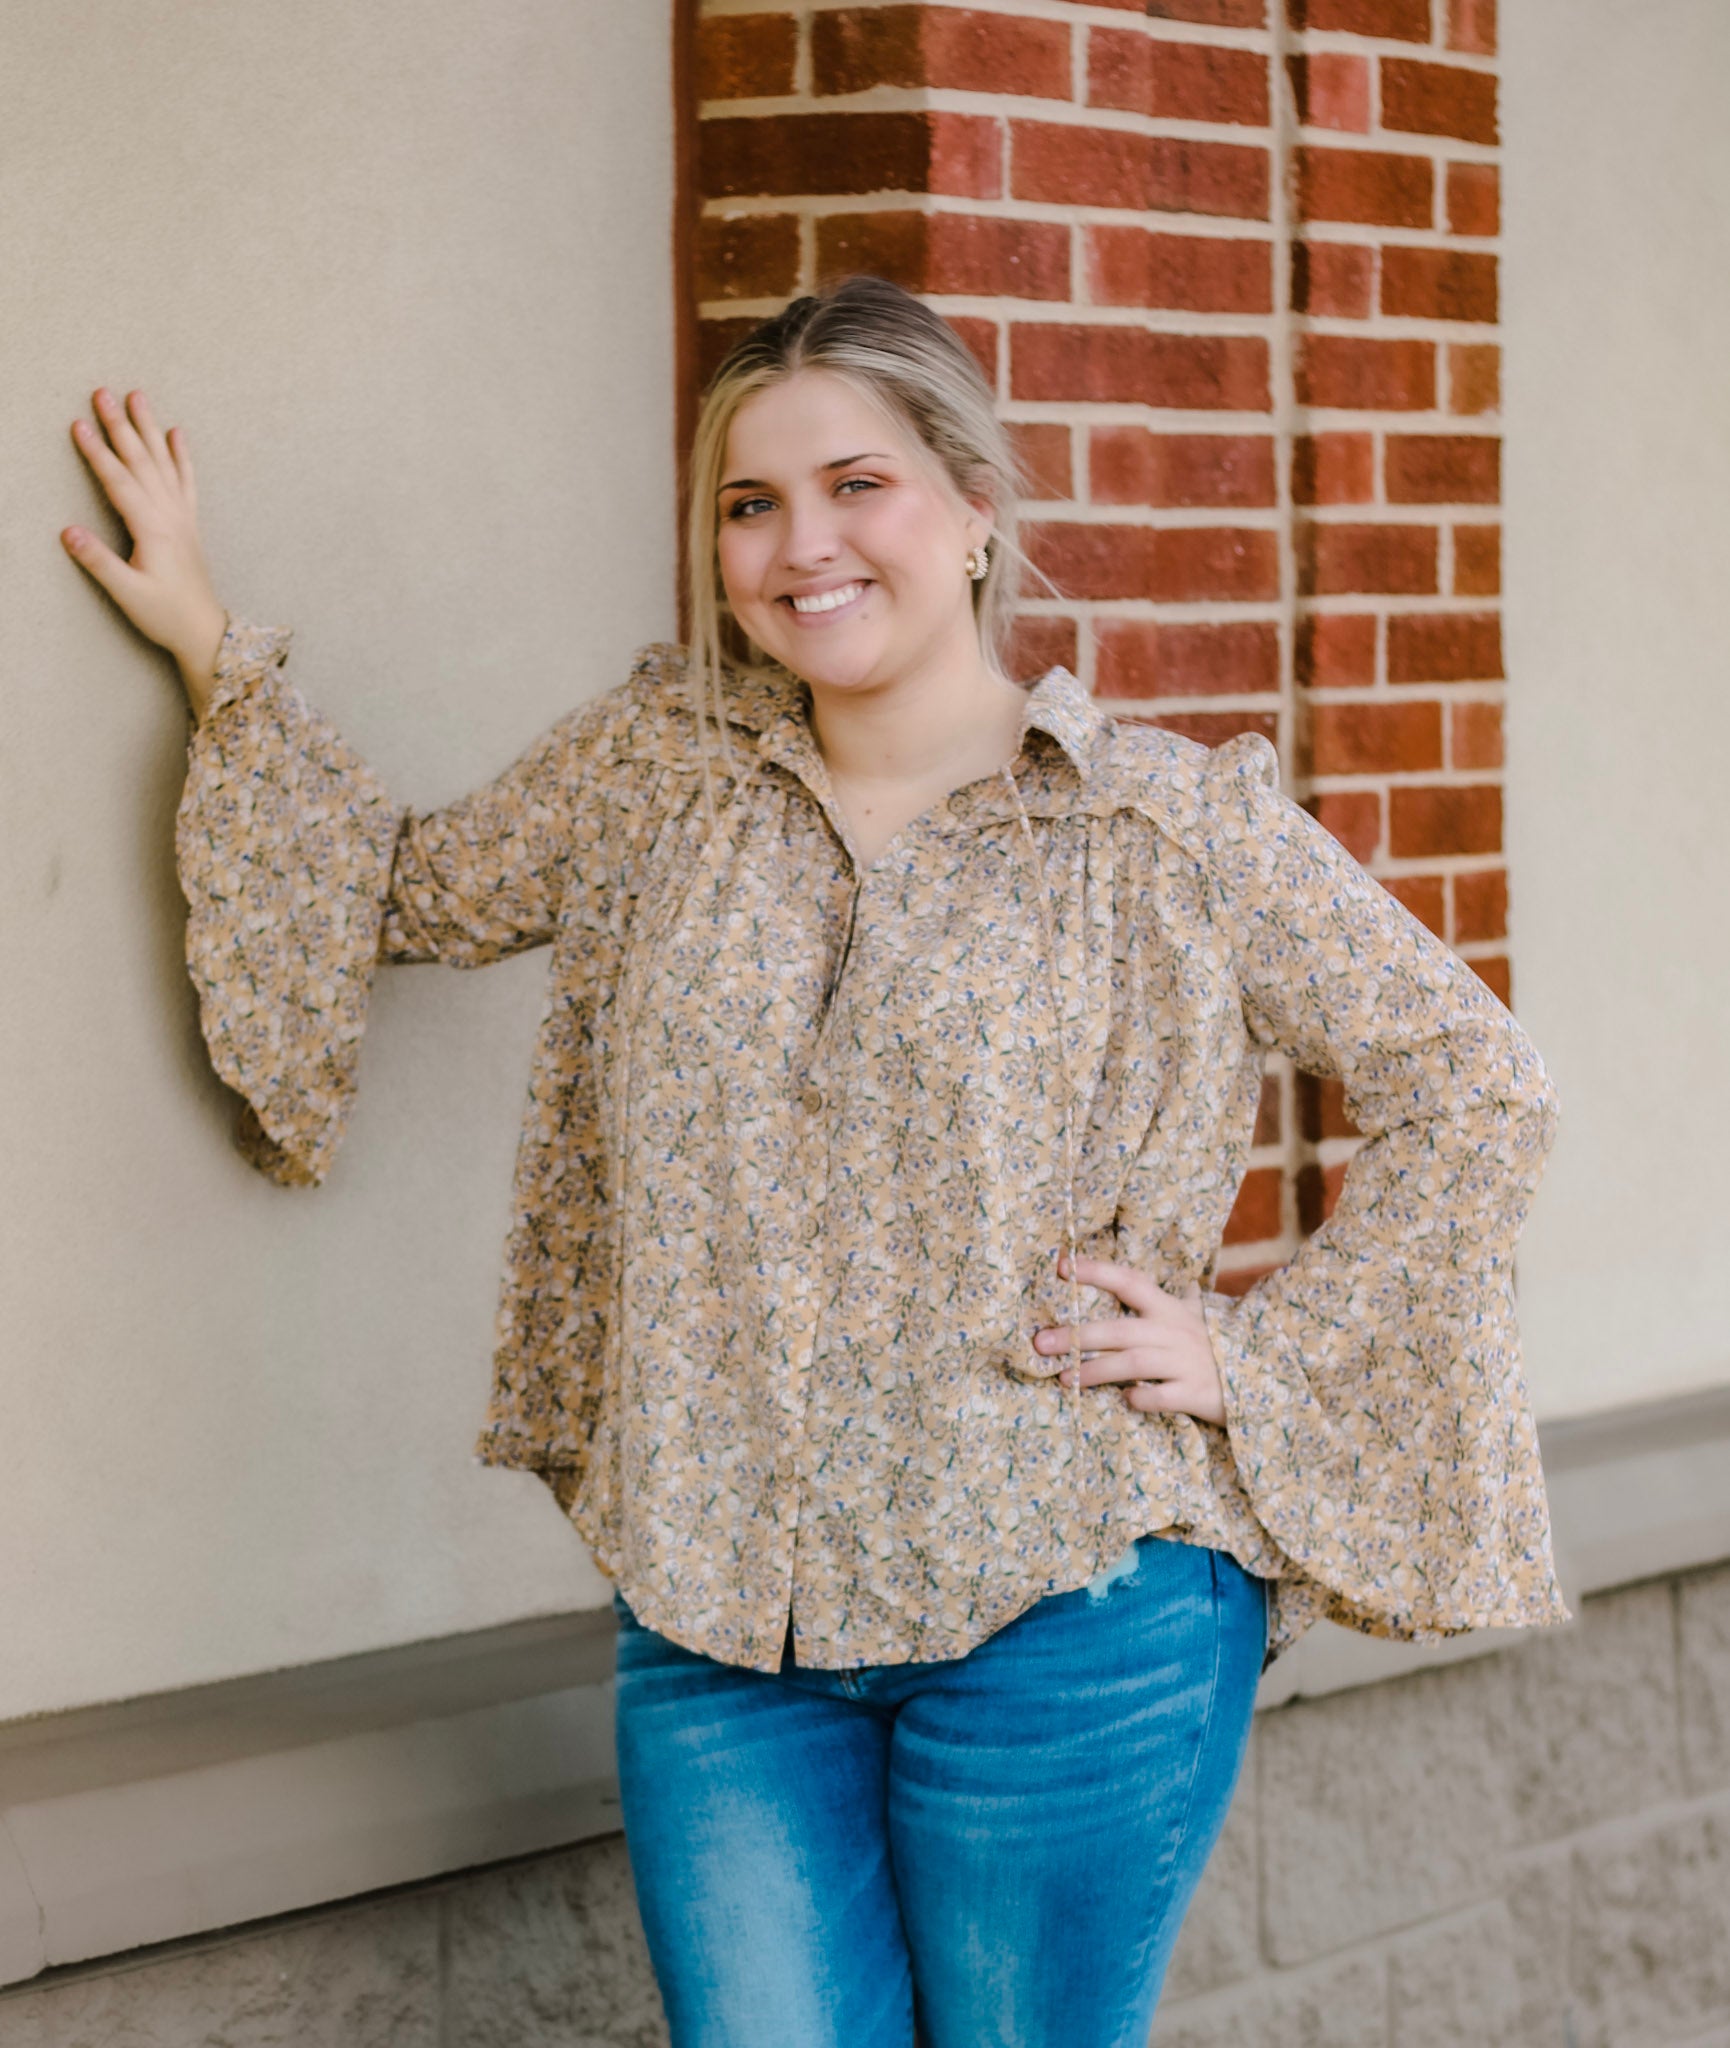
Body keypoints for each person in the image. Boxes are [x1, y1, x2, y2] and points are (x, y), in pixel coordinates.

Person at [61, 274, 1570, 2047]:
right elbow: (404, 889)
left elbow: (1475, 1086)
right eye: (751, 503)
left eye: (857, 486)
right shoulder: (656, 776)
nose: (802, 547)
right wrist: (207, 640)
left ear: (974, 510)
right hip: (722, 1628)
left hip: (1073, 1610)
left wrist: (1257, 1360)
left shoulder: (1162, 824)